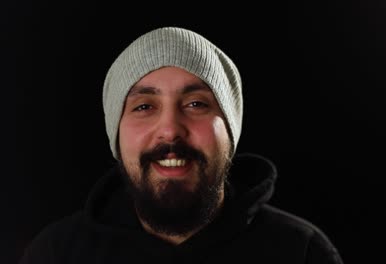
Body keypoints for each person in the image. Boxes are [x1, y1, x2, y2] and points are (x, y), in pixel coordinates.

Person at [19, 26, 343, 264]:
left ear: (231, 131)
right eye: (144, 106)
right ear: (115, 135)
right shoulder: (55, 253)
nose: (171, 130)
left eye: (196, 104)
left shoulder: (302, 252)